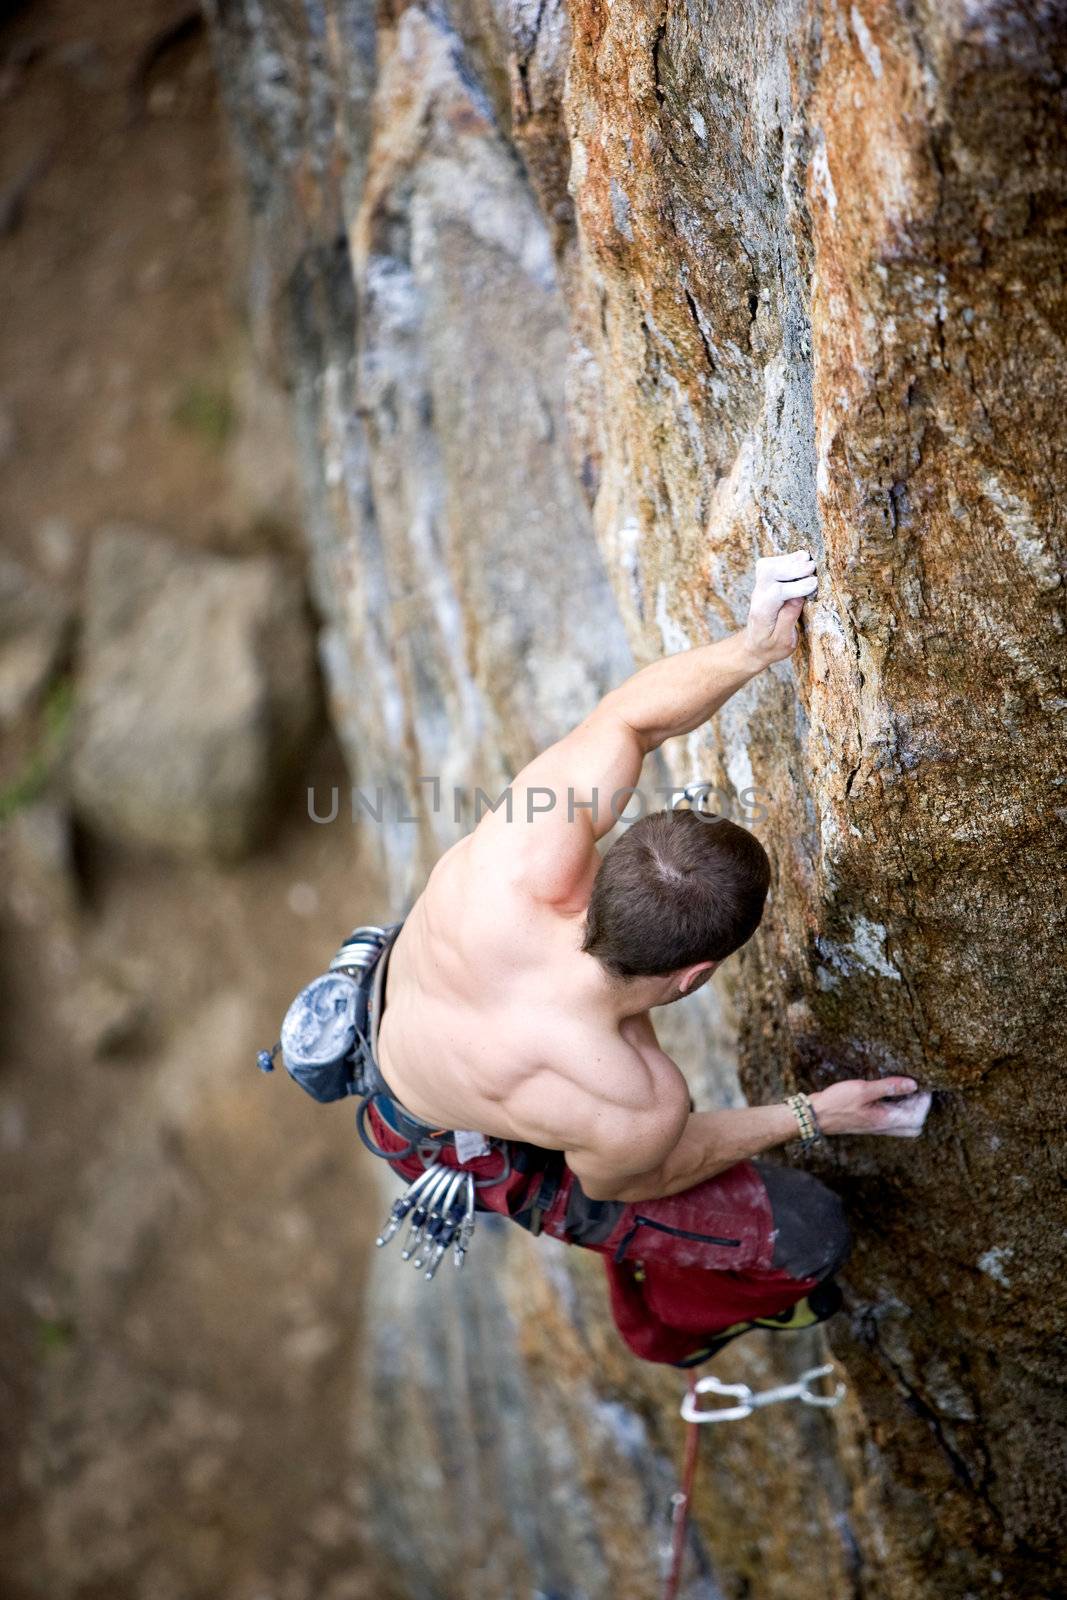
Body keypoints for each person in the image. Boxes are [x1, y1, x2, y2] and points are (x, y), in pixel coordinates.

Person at [359, 551, 932, 1365]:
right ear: (694, 977)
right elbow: (627, 1182)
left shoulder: (526, 848)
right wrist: (816, 1113)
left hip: (401, 1013)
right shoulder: (635, 1102)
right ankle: (668, 1326)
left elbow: (627, 719)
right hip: (439, 1133)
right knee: (807, 1233)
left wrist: (753, 645)